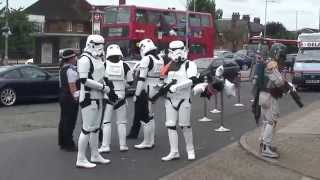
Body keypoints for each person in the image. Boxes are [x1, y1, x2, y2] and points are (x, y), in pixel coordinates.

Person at [76, 34, 114, 168]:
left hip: (98, 97)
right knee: (87, 129)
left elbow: (101, 76)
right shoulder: (84, 60)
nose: (100, 49)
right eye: (98, 46)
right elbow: (84, 80)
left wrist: (106, 86)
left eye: (102, 46)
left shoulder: (97, 59)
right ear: (91, 45)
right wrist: (103, 87)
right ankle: (80, 158)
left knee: (96, 129)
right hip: (88, 97)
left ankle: (95, 154)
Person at [161, 40, 198, 161]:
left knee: (185, 125)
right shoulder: (169, 65)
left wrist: (177, 87)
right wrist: (161, 87)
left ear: (184, 50)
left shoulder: (190, 64)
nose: (177, 54)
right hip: (170, 100)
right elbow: (163, 79)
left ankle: (190, 149)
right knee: (170, 125)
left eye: (179, 50)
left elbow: (192, 80)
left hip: (183, 98)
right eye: (173, 51)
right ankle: (174, 151)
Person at [99, 44, 133, 153]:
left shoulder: (103, 65)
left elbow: (99, 80)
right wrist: (123, 85)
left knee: (106, 122)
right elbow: (130, 81)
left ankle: (105, 145)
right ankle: (123, 145)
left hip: (107, 96)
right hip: (121, 96)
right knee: (122, 122)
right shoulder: (125, 65)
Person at [133, 39, 164, 149]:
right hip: (156, 88)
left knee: (144, 117)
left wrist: (136, 94)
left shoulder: (146, 59)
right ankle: (151, 141)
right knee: (151, 116)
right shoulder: (160, 58)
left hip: (147, 89)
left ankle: (147, 141)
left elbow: (141, 79)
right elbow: (162, 76)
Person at [257, 59, 284, 158]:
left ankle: (263, 143)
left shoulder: (264, 65)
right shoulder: (272, 66)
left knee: (266, 121)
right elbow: (279, 82)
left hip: (263, 95)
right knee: (271, 121)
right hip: (270, 97)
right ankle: (266, 147)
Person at [58, 49, 80, 152]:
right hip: (70, 98)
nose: (76, 59)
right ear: (70, 59)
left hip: (63, 96)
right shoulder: (70, 70)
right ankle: (69, 144)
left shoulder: (62, 68)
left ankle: (62, 142)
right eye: (75, 57)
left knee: (63, 120)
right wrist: (76, 98)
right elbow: (73, 87)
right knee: (70, 122)